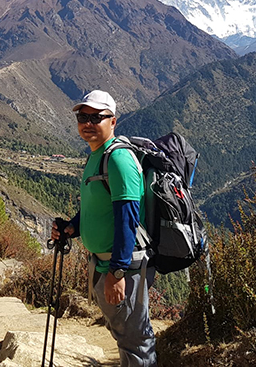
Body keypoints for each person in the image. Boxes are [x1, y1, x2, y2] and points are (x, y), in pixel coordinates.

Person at [52, 90, 156, 367]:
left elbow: (128, 218)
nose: (88, 122)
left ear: (113, 121)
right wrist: (71, 227)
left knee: (135, 339)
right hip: (105, 264)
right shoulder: (96, 157)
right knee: (123, 333)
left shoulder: (118, 160)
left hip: (123, 266)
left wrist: (117, 272)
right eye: (83, 116)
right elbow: (95, 207)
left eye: (97, 117)